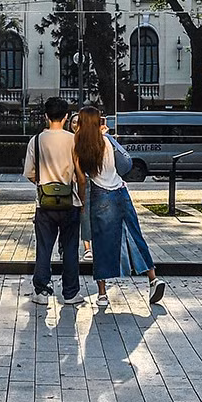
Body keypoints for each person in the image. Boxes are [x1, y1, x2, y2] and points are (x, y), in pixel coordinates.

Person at [72, 107, 163, 307]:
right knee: (134, 233)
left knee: (101, 242)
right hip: (120, 191)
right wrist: (109, 136)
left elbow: (81, 178)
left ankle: (102, 294)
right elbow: (123, 164)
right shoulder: (106, 140)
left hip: (100, 194)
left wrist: (82, 201)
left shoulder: (78, 144)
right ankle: (153, 278)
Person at [22, 96, 85, 305]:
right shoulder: (73, 139)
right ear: (67, 117)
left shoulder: (37, 140)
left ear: (46, 116)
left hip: (44, 204)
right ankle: (70, 293)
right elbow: (80, 173)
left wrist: (44, 186)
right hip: (71, 202)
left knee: (44, 248)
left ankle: (41, 291)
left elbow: (30, 173)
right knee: (70, 249)